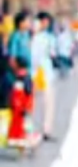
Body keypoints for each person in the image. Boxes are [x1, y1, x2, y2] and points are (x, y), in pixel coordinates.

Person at [31, 12, 56, 141]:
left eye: (47, 22)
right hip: (36, 74)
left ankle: (46, 130)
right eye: (43, 21)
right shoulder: (33, 36)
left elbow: (52, 54)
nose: (45, 24)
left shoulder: (48, 37)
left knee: (47, 103)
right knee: (34, 103)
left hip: (45, 74)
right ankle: (33, 130)